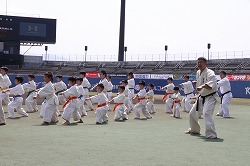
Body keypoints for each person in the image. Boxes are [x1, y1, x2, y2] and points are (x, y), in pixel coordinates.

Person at [185, 57, 218, 139]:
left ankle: (211, 134)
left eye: (201, 62)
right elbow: (202, 81)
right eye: (198, 62)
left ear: (206, 63)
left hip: (210, 96)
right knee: (192, 113)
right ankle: (194, 130)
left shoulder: (210, 72)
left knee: (206, 113)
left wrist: (202, 86)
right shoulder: (198, 72)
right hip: (201, 97)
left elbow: (211, 84)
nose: (199, 64)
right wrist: (198, 88)